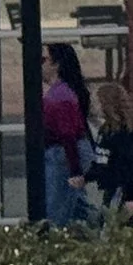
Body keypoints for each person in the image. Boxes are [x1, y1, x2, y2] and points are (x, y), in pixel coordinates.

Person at [41, 43, 93, 227]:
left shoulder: (60, 97)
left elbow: (67, 135)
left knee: (56, 211)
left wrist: (75, 170)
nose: (40, 65)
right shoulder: (62, 93)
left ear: (56, 65)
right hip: (64, 154)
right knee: (77, 205)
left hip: (61, 155)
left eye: (44, 60)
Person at [85, 79, 133, 219]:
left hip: (120, 189)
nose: (93, 105)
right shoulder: (105, 131)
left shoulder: (123, 135)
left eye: (97, 101)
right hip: (109, 187)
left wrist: (131, 197)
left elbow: (131, 167)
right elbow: (101, 161)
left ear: (106, 104)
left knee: (113, 226)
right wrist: (86, 177)